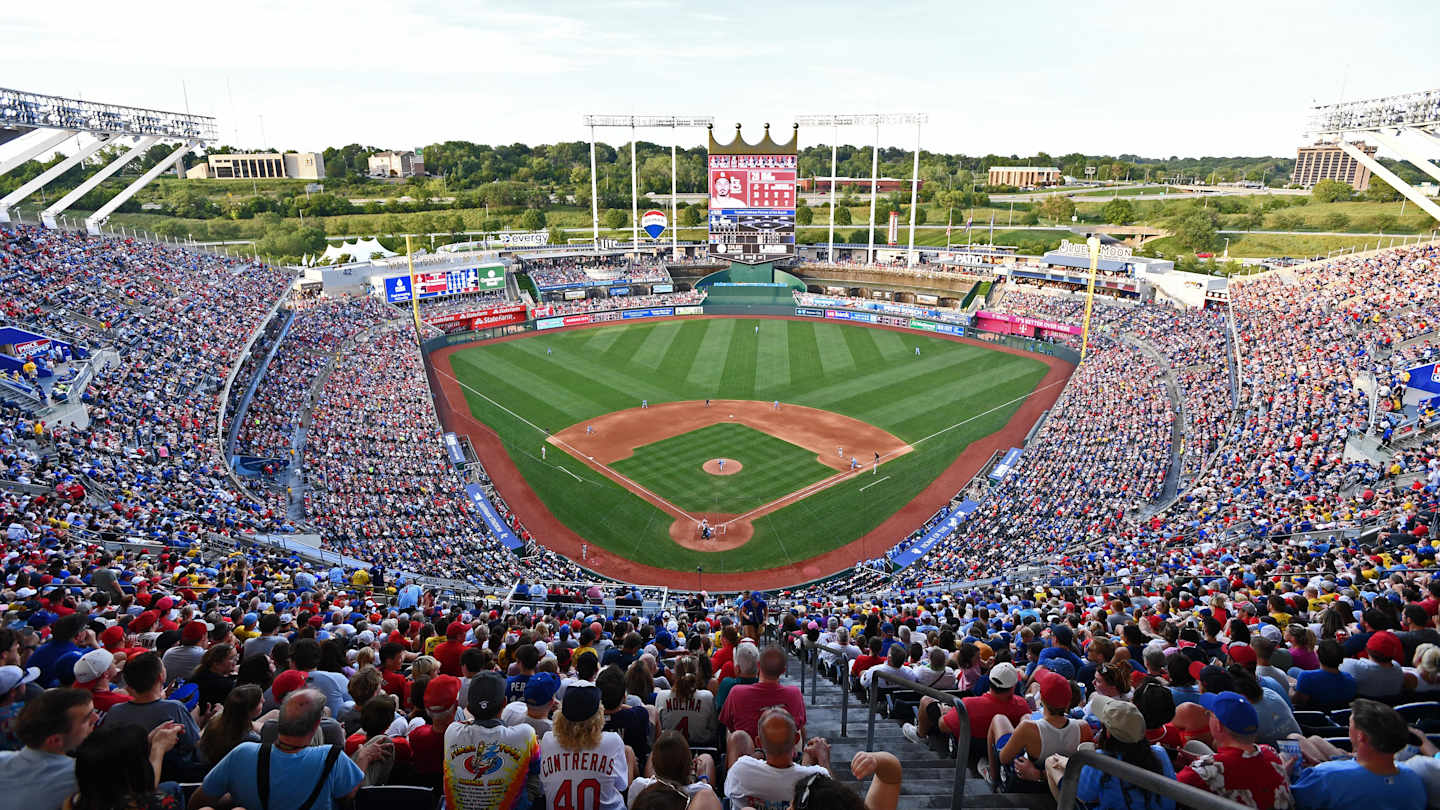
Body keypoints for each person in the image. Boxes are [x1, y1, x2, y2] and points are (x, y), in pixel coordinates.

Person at [194, 688, 385, 810]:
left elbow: (198, 802)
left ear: (280, 718)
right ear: (317, 723)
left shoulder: (242, 753)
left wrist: (237, 796)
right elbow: (348, 795)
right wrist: (363, 758)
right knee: (384, 743)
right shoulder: (332, 756)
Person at [1290, 698, 1425, 810]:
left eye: (1350, 725)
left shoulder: (1326, 777)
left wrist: (1287, 771)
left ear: (1361, 737)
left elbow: (1291, 800)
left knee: (1295, 738)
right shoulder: (1413, 779)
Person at [99, 652, 206, 782]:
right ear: (161, 676)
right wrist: (207, 724)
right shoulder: (174, 708)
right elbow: (195, 743)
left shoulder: (115, 711)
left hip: (126, 778)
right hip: (170, 777)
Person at [1176, 691, 1293, 809]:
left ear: (1218, 725)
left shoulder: (1203, 772)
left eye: (1209, 714)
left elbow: (1168, 791)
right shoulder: (1270, 752)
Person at [1058, 694, 1176, 810]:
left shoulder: (1101, 760)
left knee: (1052, 765)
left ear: (1108, 733)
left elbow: (1083, 795)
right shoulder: (1159, 753)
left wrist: (1068, 765)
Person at [985, 670, 1090, 793]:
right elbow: (1088, 769)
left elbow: (1003, 758)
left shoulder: (1029, 728)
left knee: (999, 719)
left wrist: (1038, 773)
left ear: (1041, 698)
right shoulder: (1083, 727)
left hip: (1028, 783)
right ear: (1069, 701)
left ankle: (993, 778)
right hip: (1061, 783)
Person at [0, 688, 97, 810]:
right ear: (55, 740)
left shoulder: (2, 759)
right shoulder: (82, 779)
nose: (96, 718)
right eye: (87, 719)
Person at [538, 685, 629, 810]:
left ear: (561, 714)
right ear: (598, 715)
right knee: (629, 751)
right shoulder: (612, 741)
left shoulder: (548, 740)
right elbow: (622, 786)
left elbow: (543, 789)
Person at [723, 706, 830, 809]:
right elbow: (837, 799)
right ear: (796, 739)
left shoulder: (740, 770)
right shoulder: (816, 776)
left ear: (759, 742)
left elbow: (728, 793)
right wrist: (823, 758)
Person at [68, 722, 184, 810]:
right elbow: (145, 788)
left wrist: (146, 743)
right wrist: (158, 748)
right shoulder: (162, 804)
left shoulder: (74, 800)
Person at [721, 647, 805, 753]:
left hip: (747, 754)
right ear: (783, 671)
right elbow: (799, 725)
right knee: (799, 728)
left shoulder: (736, 692)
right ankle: (799, 760)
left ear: (758, 666)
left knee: (731, 731)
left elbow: (728, 724)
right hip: (783, 753)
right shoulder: (795, 694)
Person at [625, 730, 718, 808]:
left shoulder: (638, 786)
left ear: (654, 764)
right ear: (689, 765)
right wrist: (703, 778)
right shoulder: (701, 791)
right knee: (706, 758)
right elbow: (707, 788)